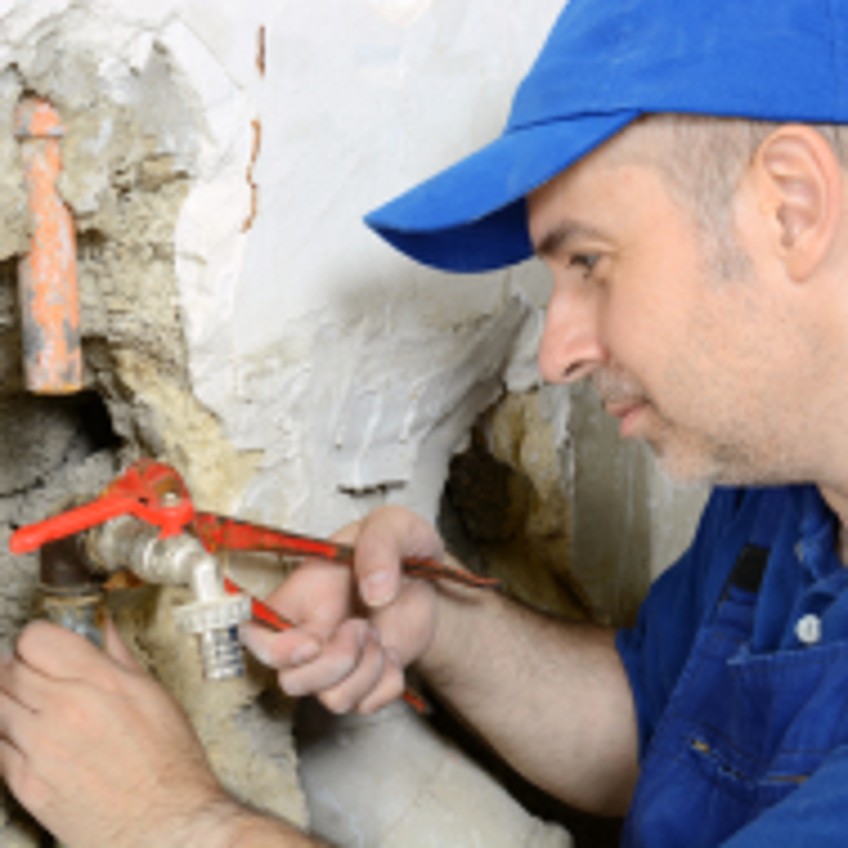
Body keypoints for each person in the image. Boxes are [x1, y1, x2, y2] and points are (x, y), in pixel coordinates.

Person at [4, 0, 848, 844]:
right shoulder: (783, 481)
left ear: (792, 206)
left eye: (590, 261)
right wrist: (443, 626)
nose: (557, 355)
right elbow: (659, 731)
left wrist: (170, 822)